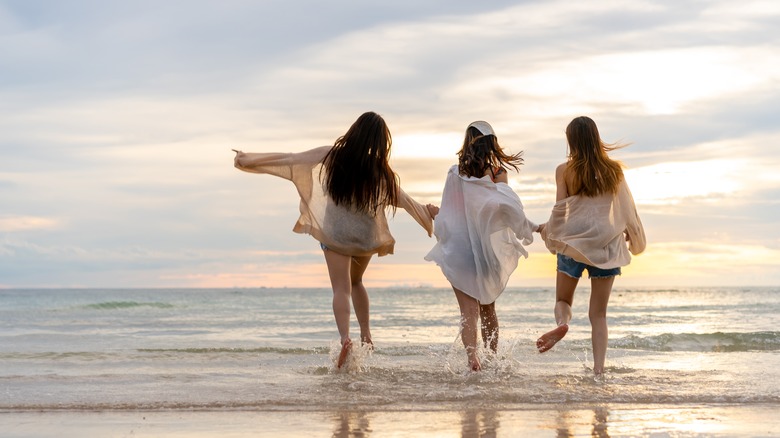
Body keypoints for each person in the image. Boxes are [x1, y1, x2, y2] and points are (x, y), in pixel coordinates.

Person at [233, 111, 434, 368]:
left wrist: (246, 159)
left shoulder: (332, 154)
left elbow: (291, 160)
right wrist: (427, 215)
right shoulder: (379, 170)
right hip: (364, 237)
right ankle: (366, 334)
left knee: (341, 288)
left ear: (354, 132)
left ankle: (345, 338)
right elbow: (404, 200)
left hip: (336, 234)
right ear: (382, 142)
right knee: (357, 282)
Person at [425, 121, 539, 371]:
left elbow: (452, 213)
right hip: (486, 252)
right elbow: (506, 209)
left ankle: (471, 360)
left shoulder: (455, 173)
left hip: (460, 251)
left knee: (468, 312)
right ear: (492, 143)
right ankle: (491, 358)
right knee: (488, 309)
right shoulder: (497, 173)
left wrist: (437, 214)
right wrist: (530, 226)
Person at [536, 116, 646, 375]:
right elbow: (627, 209)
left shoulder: (564, 170)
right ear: (596, 137)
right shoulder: (614, 171)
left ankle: (563, 324)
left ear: (571, 141)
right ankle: (598, 371)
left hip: (573, 246)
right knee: (598, 315)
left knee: (563, 300)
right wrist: (634, 235)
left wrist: (547, 231)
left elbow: (561, 211)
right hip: (606, 248)